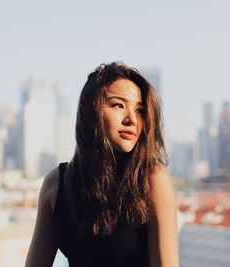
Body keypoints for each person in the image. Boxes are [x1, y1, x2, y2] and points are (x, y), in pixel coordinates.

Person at [25, 62, 179, 267]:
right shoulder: (57, 183)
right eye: (118, 105)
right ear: (90, 112)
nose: (132, 119)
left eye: (140, 110)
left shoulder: (152, 179)